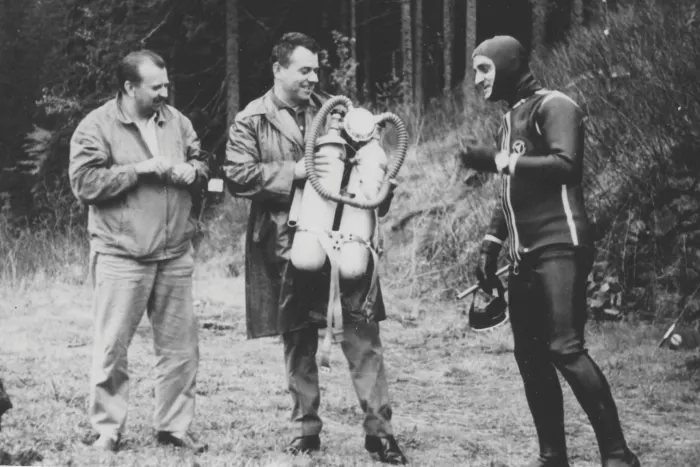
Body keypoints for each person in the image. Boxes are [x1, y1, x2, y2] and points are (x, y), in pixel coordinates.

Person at [223, 32, 406, 465]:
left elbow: (370, 162)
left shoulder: (337, 113)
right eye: (304, 69)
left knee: (362, 334)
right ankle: (305, 430)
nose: (313, 77)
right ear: (278, 69)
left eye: (317, 70)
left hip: (345, 238)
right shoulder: (252, 119)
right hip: (287, 245)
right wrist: (297, 172)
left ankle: (380, 432)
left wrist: (380, 187)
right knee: (298, 338)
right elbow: (237, 174)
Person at [458, 36, 640, 467]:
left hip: (562, 246)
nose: (477, 79)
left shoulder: (555, 105)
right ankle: (551, 458)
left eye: (484, 69)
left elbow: (566, 165)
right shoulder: (508, 121)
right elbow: (512, 191)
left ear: (507, 64)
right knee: (530, 356)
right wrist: (490, 246)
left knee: (566, 348)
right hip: (524, 256)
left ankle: (618, 455)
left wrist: (500, 161)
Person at [69, 49, 210, 453]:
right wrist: (138, 171)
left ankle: (174, 429)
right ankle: (108, 429)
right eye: (156, 86)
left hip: (175, 253)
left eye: (167, 84)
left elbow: (202, 161)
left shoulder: (177, 122)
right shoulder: (96, 126)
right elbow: (85, 184)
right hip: (121, 255)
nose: (165, 92)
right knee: (112, 346)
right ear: (129, 87)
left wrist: (194, 171)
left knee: (181, 350)